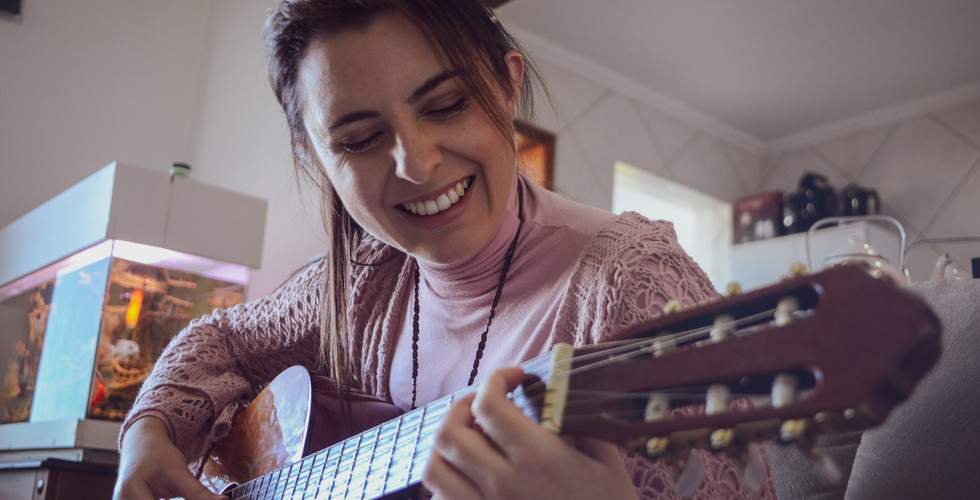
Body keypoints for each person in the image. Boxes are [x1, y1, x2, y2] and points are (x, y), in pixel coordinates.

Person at [113, 1, 776, 499]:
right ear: (317, 159)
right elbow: (221, 338)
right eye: (360, 140)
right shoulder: (361, 282)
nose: (418, 163)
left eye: (447, 104)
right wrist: (149, 433)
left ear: (507, 87)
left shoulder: (637, 284)